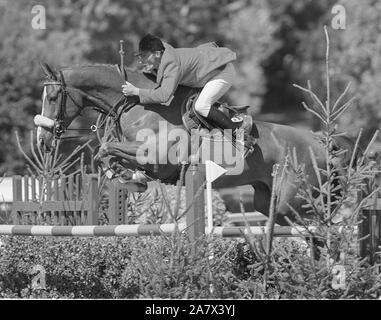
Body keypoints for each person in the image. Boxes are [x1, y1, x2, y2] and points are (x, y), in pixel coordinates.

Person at [122, 34, 241, 133]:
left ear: (157, 54)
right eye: (140, 56)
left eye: (144, 56)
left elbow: (163, 96)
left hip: (221, 72)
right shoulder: (162, 56)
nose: (141, 60)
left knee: (201, 106)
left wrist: (136, 91)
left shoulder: (171, 64)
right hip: (206, 71)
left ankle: (238, 132)